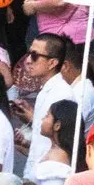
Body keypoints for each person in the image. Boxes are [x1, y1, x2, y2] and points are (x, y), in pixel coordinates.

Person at [16, 34, 74, 171]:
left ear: (52, 63)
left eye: (35, 55)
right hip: (36, 169)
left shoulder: (62, 94)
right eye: (29, 54)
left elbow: (62, 141)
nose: (28, 60)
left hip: (50, 171)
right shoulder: (46, 90)